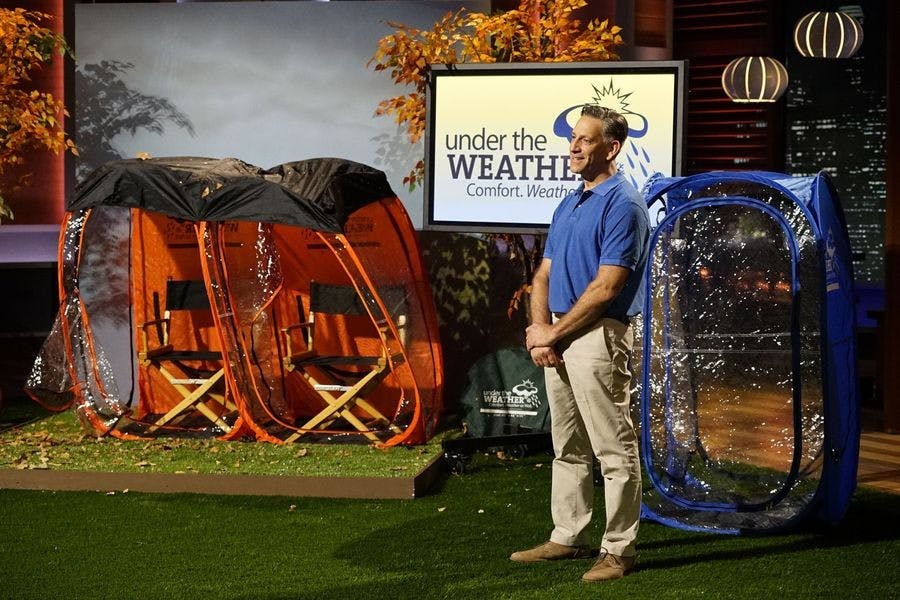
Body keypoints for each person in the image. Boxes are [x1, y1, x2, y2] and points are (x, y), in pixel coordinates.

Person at [510, 104, 650, 583]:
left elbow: (608, 287)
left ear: (611, 147)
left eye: (585, 139)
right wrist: (540, 331)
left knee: (613, 448)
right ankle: (568, 536)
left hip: (599, 335)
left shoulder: (624, 204)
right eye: (572, 138)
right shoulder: (570, 202)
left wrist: (555, 332)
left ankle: (619, 551)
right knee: (567, 446)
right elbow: (543, 274)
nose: (573, 146)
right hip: (559, 333)